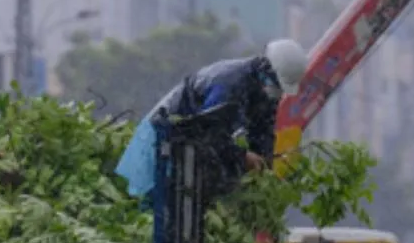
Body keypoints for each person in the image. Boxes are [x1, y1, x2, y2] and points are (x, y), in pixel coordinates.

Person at [115, 38, 309, 198]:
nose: (276, 93)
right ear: (266, 69)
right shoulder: (229, 84)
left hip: (188, 148)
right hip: (161, 140)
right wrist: (243, 157)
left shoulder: (264, 92)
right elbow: (209, 133)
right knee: (150, 205)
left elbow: (263, 131)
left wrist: (266, 169)